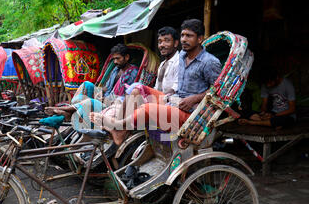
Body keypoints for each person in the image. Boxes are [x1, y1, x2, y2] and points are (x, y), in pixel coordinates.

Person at [90, 19, 222, 145]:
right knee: (137, 89)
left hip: (193, 113)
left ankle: (118, 125)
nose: (184, 40)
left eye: (189, 36)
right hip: (176, 102)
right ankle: (121, 131)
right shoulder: (182, 56)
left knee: (146, 109)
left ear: (200, 39)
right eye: (183, 35)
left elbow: (219, 91)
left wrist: (194, 99)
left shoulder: (209, 62)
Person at [44, 44, 139, 120]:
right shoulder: (116, 69)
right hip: (106, 97)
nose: (115, 61)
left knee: (89, 101)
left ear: (126, 57)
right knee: (87, 84)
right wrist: (99, 93)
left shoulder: (133, 72)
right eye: (114, 59)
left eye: (118, 58)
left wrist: (106, 99)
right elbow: (108, 87)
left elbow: (126, 96)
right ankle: (72, 110)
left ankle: (64, 110)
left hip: (114, 105)